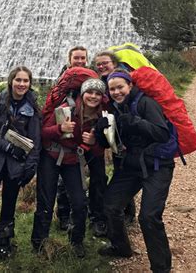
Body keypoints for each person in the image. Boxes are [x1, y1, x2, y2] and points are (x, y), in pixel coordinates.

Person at [96, 69, 174, 273]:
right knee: (111, 204)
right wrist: (100, 130)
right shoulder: (114, 108)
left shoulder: (146, 103)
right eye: (112, 89)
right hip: (131, 165)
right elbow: (110, 142)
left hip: (157, 165)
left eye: (120, 87)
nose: (116, 92)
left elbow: (162, 134)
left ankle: (161, 268)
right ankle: (120, 247)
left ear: (130, 86)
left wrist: (135, 122)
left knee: (149, 217)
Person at [31, 77, 107, 258]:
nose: (93, 96)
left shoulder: (101, 117)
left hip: (72, 159)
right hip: (51, 156)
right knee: (46, 201)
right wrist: (60, 128)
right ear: (83, 93)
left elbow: (98, 149)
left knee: (80, 203)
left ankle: (76, 240)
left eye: (97, 93)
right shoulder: (67, 108)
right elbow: (43, 132)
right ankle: (39, 242)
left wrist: (95, 142)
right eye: (90, 92)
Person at [0, 66, 41, 259]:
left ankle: (3, 240)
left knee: (9, 204)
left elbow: (35, 140)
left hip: (16, 165)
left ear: (30, 83)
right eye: (18, 80)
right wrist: (9, 147)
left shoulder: (34, 108)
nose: (21, 84)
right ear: (11, 81)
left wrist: (31, 166)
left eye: (25, 81)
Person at [94, 50, 136, 226]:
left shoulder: (121, 79)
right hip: (113, 133)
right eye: (99, 64)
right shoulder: (101, 83)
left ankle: (127, 213)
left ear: (114, 63)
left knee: (123, 174)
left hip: (127, 133)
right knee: (120, 171)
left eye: (106, 63)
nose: (102, 66)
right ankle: (119, 213)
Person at [55, 46, 90, 231]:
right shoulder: (62, 79)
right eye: (76, 58)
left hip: (83, 134)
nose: (79, 61)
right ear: (69, 60)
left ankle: (85, 216)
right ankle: (62, 215)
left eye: (83, 58)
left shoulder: (89, 78)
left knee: (81, 179)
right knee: (64, 180)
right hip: (64, 130)